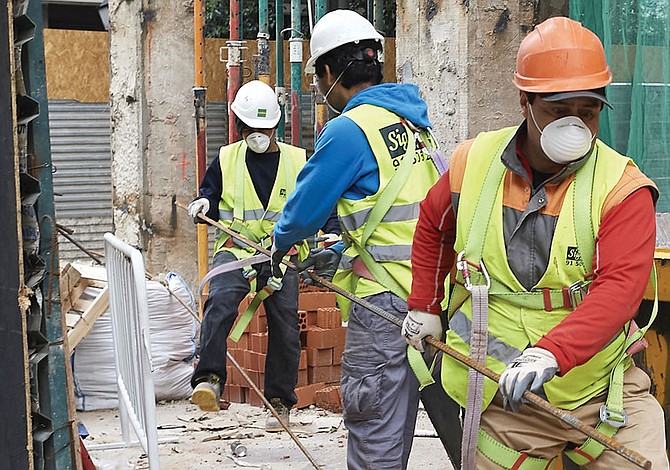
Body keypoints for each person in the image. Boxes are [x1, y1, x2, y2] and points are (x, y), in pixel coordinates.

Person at [403, 16, 669, 469]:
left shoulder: (622, 187)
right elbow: (433, 225)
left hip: (604, 390)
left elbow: (620, 288)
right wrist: (424, 306)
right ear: (525, 101)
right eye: (559, 109)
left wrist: (553, 351)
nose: (576, 124)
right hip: (505, 394)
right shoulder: (475, 163)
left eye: (588, 111)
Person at [270, 9, 441, 469]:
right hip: (434, 300)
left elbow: (302, 215)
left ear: (328, 71)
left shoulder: (348, 130)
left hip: (384, 307)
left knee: (376, 430)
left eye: (316, 76)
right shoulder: (414, 126)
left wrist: (277, 243)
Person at [187, 80, 320, 432]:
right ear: (240, 126)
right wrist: (204, 202)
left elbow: (314, 204)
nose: (256, 134)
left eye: (262, 128)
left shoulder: (298, 160)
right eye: (249, 128)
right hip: (237, 250)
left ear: (274, 125)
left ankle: (279, 402)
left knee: (285, 324)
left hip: (280, 253)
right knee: (221, 300)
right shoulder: (227, 158)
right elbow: (210, 196)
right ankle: (209, 380)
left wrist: (328, 232)